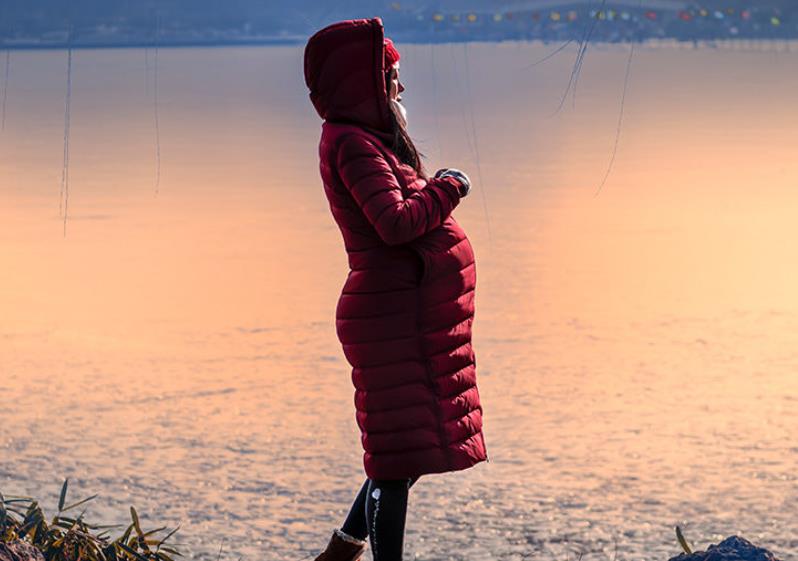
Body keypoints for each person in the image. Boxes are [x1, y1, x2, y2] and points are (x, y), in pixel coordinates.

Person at [303, 17, 488, 561]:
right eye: (391, 76)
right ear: (366, 83)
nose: (399, 87)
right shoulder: (355, 145)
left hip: (408, 319)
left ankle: (341, 551)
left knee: (403, 453)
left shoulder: (364, 141)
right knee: (395, 461)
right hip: (393, 321)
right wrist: (450, 187)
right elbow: (396, 223)